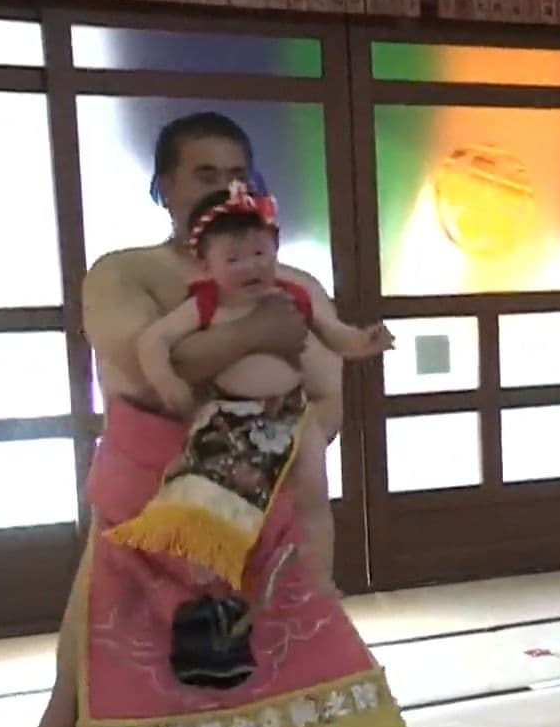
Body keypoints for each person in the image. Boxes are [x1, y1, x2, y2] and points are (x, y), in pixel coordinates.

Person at [0, 112, 408, 727]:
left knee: (332, 681)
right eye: (201, 173)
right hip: (143, 520)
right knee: (71, 708)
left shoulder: (292, 281)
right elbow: (137, 366)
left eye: (236, 171)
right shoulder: (127, 274)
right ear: (164, 188)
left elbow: (327, 396)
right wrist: (254, 342)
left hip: (267, 514)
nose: (222, 185)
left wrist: (273, 440)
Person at [110, 181, 393, 595]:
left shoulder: (293, 294)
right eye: (233, 258)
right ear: (205, 265)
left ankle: (319, 579)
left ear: (276, 250)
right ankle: (211, 579)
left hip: (294, 414)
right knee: (209, 500)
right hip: (230, 415)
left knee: (314, 500)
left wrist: (362, 342)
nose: (250, 266)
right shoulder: (206, 304)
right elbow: (153, 340)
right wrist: (166, 381)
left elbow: (334, 334)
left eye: (260, 253)